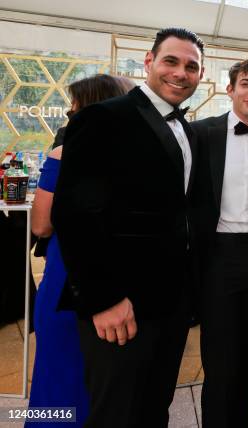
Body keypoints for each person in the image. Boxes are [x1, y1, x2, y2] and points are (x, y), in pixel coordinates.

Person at [51, 28, 204, 427]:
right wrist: (103, 299)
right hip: (121, 305)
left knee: (153, 411)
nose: (181, 73)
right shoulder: (102, 118)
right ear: (149, 62)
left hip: (169, 304)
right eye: (171, 61)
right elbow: (74, 215)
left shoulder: (187, 130)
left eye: (192, 66)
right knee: (114, 415)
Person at [27, 74, 134, 427]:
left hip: (66, 280)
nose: (71, 112)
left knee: (59, 381)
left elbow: (40, 225)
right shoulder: (134, 156)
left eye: (76, 105)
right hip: (115, 284)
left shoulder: (66, 152)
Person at [191, 58, 248, 428]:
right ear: (230, 89)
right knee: (219, 358)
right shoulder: (202, 133)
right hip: (216, 255)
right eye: (245, 83)